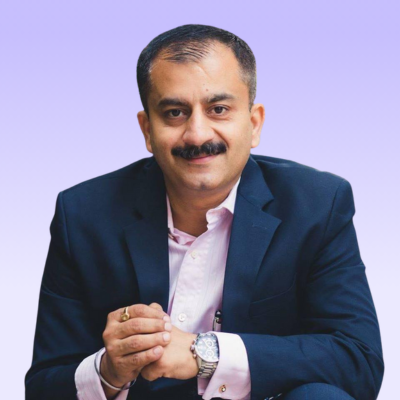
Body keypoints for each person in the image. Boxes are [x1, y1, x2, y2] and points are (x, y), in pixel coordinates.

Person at [25, 24, 384, 400]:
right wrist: (108, 370)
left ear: (254, 123)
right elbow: (44, 387)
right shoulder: (83, 214)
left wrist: (205, 353)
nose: (197, 134)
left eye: (219, 109)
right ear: (147, 130)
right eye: (175, 112)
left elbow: (358, 361)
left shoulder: (316, 205)